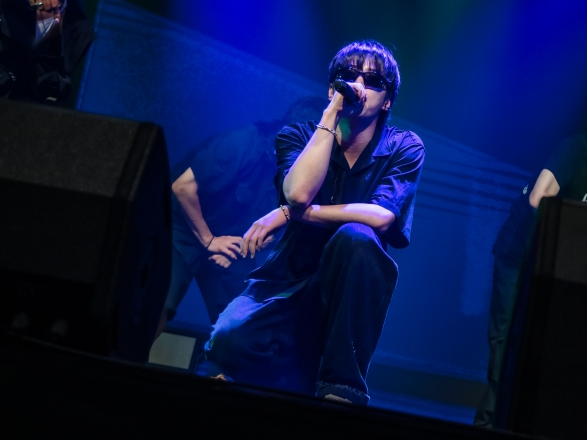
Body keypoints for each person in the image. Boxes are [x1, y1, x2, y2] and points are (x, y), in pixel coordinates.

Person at [203, 40, 425, 405]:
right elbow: (298, 193)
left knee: (358, 236)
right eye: (348, 76)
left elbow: (382, 216)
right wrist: (332, 114)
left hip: (348, 287)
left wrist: (294, 214)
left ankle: (342, 389)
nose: (358, 85)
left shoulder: (404, 146)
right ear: (332, 87)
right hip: (288, 279)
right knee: (227, 339)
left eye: (372, 81)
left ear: (387, 100)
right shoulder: (297, 136)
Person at [474, 95, 587, 427]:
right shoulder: (575, 148)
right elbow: (539, 199)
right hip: (521, 251)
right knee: (505, 342)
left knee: (551, 350)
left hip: (570, 268)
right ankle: (490, 425)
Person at [161, 97, 331, 335]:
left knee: (244, 324)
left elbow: (277, 231)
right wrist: (209, 241)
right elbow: (182, 187)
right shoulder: (240, 143)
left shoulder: (297, 175)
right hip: (182, 226)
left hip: (230, 242)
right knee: (159, 305)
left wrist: (243, 247)